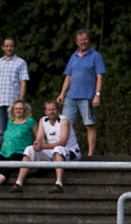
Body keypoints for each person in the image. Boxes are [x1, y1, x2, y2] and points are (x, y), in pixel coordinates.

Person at [12, 100, 81, 193]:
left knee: (58, 149)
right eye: (49, 110)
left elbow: (62, 142)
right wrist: (37, 144)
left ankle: (59, 183)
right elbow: (39, 137)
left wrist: (44, 146)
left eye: (53, 109)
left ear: (58, 110)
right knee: (29, 149)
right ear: (45, 111)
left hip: (70, 151)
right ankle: (19, 183)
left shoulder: (64, 121)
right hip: (52, 152)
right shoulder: (43, 120)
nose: (51, 112)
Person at [57, 29, 105, 157]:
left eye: (85, 39)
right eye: (81, 40)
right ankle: (66, 151)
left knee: (89, 125)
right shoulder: (73, 56)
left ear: (88, 40)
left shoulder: (95, 56)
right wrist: (62, 93)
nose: (83, 42)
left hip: (87, 97)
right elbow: (68, 76)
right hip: (71, 97)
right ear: (77, 42)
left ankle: (90, 154)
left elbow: (99, 76)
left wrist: (97, 94)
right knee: (65, 124)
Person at [0, 36, 29, 148]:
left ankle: (15, 154)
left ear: (14, 47)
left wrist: (21, 100)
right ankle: (5, 155)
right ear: (3, 47)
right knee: (1, 131)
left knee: (14, 130)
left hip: (13, 102)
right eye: (6, 46)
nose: (9, 48)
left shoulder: (20, 63)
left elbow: (23, 82)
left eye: (11, 46)